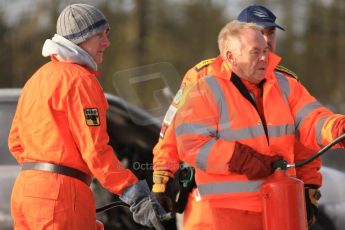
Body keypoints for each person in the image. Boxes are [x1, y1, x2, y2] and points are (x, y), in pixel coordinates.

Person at [152, 4, 324, 229]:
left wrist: (309, 187)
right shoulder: (202, 76)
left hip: (277, 202)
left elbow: (303, 142)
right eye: (259, 33)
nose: (266, 40)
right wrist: (163, 178)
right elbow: (173, 132)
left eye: (270, 33)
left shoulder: (286, 83)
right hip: (213, 204)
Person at [8, 4, 169, 230]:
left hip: (26, 192)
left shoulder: (38, 78)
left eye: (107, 34)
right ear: (80, 38)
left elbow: (15, 142)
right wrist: (136, 194)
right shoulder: (81, 80)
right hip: (60, 196)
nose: (107, 42)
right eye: (100, 35)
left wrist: (64, 200)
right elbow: (95, 150)